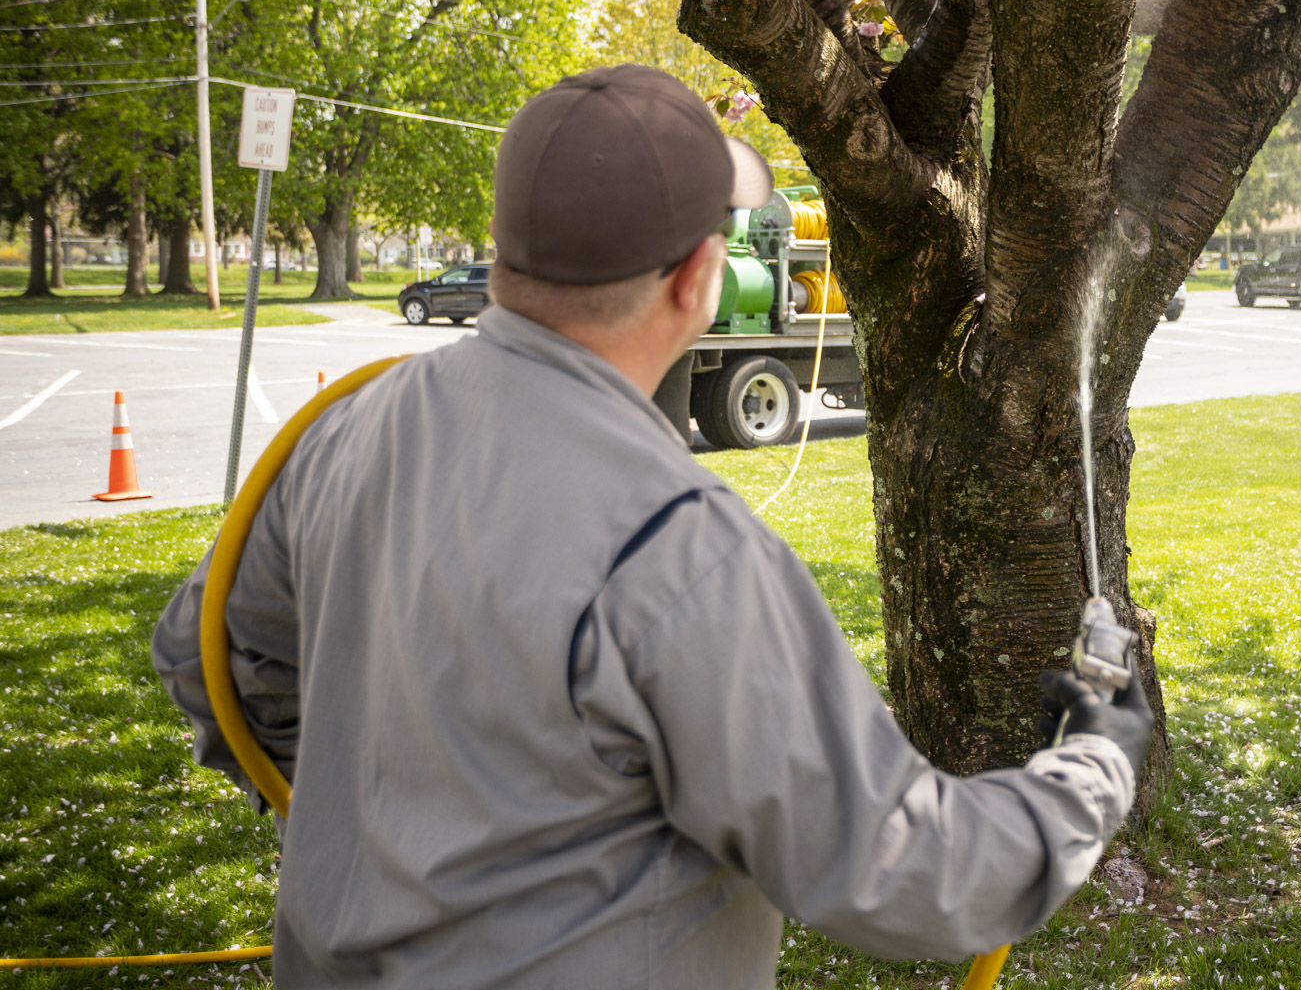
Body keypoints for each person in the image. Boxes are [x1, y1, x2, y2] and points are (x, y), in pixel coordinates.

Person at [152, 65, 1152, 989]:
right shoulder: (678, 548)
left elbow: (205, 662)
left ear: (508, 254)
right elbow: (908, 871)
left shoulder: (339, 434)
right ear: (697, 280)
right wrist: (1096, 764)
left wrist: (368, 810)